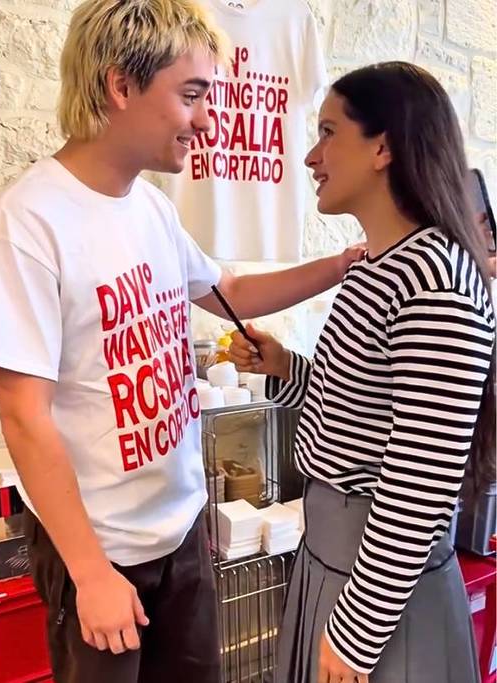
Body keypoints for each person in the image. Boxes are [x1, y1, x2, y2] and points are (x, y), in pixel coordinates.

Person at [0, 1, 365, 680]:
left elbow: (232, 293)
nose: (205, 119)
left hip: (183, 531)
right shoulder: (32, 217)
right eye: (190, 94)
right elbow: (22, 412)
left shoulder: (154, 209)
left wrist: (340, 265)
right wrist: (90, 572)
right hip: (100, 552)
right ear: (120, 85)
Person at [229, 62, 496, 683]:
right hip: (334, 560)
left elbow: (420, 479)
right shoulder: (375, 267)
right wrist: (286, 368)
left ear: (383, 146)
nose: (311, 157)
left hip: (379, 591)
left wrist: (354, 635)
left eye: (328, 132)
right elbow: (360, 405)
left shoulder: (438, 281)